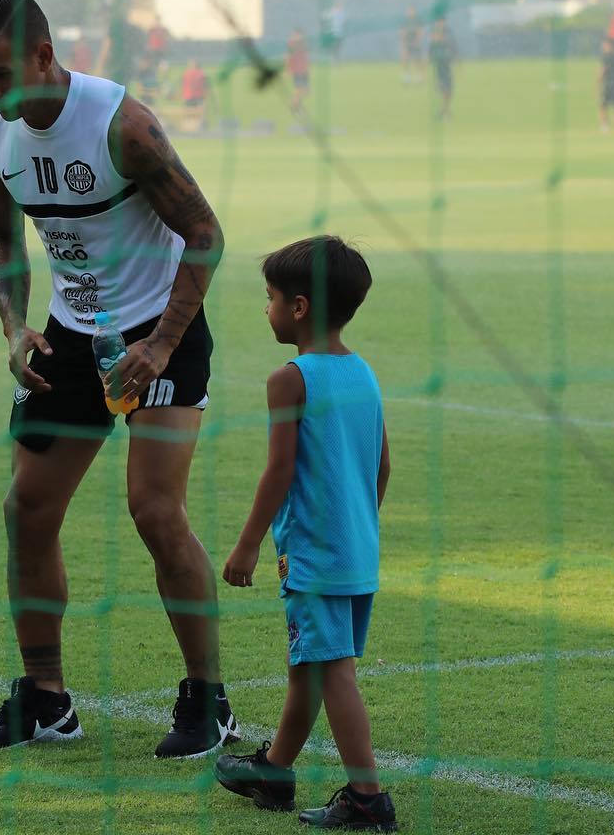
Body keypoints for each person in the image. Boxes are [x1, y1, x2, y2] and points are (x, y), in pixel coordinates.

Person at [0, 0, 237, 759]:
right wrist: (15, 330)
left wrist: (160, 346)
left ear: (44, 55)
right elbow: (6, 244)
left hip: (161, 327)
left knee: (153, 510)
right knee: (27, 509)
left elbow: (206, 234)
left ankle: (208, 700)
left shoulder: (126, 126)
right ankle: (46, 700)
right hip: (69, 337)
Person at [212, 236, 395, 830]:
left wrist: (246, 546)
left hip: (314, 555)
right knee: (309, 667)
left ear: (297, 307)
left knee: (332, 669)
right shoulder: (363, 371)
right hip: (356, 550)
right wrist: (358, 528)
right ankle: (273, 770)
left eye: (268, 298)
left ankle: (367, 798)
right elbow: (382, 465)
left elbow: (280, 469)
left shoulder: (290, 378)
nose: (263, 309)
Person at [427, 17, 455, 120]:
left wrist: (455, 60)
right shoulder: (435, 33)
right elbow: (432, 47)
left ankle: (444, 111)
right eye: (439, 22)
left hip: (446, 64)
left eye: (442, 22)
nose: (440, 24)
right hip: (439, 65)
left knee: (449, 90)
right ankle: (444, 111)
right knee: (442, 89)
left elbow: (452, 46)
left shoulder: (448, 33)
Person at [180, 58, 209, 132]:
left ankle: (188, 127)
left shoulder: (186, 73)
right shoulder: (202, 73)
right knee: (198, 113)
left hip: (188, 96)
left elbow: (183, 84)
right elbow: (205, 85)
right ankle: (197, 127)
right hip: (198, 96)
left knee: (189, 112)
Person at [286, 28, 311, 112]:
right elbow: (288, 56)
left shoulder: (304, 43)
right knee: (299, 88)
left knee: (306, 90)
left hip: (304, 69)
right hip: (297, 70)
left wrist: (307, 66)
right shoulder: (292, 44)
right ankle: (294, 104)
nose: (299, 37)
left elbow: (306, 55)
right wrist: (288, 69)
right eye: (296, 35)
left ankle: (295, 103)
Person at [399, 8, 422, 85]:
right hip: (407, 43)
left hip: (415, 43)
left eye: (412, 11)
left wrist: (417, 41)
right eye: (409, 11)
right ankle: (407, 76)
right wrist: (403, 43)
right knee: (405, 59)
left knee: (416, 59)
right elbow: (402, 32)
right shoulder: (405, 21)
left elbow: (420, 31)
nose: (410, 12)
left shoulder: (417, 21)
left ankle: (418, 76)